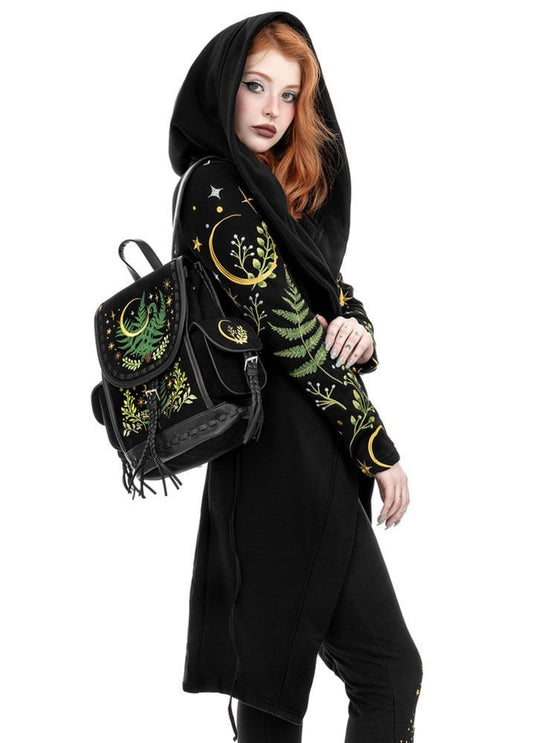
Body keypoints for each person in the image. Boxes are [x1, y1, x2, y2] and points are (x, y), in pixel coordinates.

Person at [168, 11, 423, 742]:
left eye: (289, 95)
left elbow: (325, 296)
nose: (272, 111)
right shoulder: (215, 184)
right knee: (381, 671)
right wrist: (378, 450)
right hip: (283, 456)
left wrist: (357, 327)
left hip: (292, 453)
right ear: (223, 87)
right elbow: (291, 334)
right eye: (255, 87)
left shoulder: (267, 192)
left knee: (275, 686)